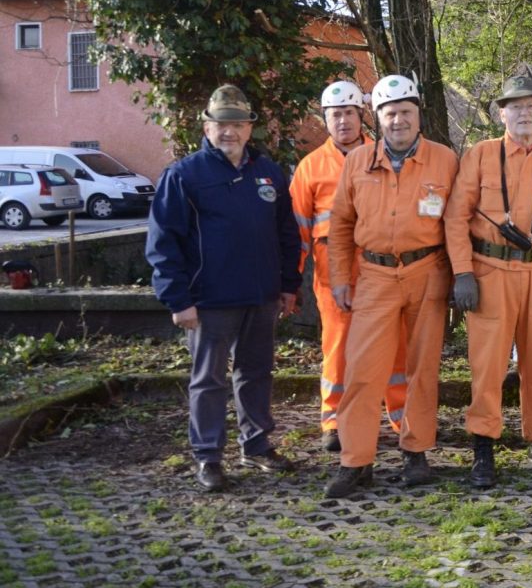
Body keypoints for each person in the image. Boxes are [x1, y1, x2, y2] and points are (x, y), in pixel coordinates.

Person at [145, 84, 300, 492]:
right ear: (207, 128)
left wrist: (288, 285)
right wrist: (178, 299)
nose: (229, 131)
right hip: (208, 302)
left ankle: (257, 445)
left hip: (261, 296)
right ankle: (209, 457)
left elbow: (286, 233)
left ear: (249, 128)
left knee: (256, 373)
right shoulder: (184, 175)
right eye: (221, 124)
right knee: (209, 380)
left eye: (237, 123)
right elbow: (162, 243)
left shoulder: (268, 172)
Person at [322, 74, 459, 498]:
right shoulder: (358, 162)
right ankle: (356, 461)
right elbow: (340, 226)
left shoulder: (445, 160)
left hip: (428, 272)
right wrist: (341, 279)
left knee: (422, 368)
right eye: (389, 113)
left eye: (405, 112)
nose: (398, 120)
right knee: (362, 370)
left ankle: (416, 451)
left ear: (419, 115)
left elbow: (458, 223)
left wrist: (460, 278)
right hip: (375, 276)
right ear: (377, 119)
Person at [445, 73, 532, 489]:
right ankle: (483, 447)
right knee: (487, 367)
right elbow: (455, 218)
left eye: (531, 106)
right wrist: (463, 273)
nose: (524, 113)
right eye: (515, 106)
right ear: (501, 114)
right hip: (490, 275)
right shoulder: (481, 156)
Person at [291, 80, 408, 453]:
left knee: (395, 346)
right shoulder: (310, 167)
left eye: (348, 113)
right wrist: (291, 281)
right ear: (325, 120)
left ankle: (403, 416)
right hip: (333, 275)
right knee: (338, 348)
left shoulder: (385, 156)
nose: (342, 121)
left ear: (362, 116)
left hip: (382, 270)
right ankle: (334, 420)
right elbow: (298, 230)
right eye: (335, 115)